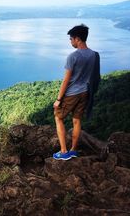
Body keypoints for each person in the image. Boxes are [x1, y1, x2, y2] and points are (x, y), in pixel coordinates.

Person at [52, 24, 100, 161]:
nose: (70, 41)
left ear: (77, 39)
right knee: (77, 120)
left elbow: (66, 80)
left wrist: (58, 99)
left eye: (71, 39)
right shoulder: (94, 55)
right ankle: (73, 150)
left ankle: (63, 152)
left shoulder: (73, 56)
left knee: (58, 117)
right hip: (85, 92)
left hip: (72, 93)